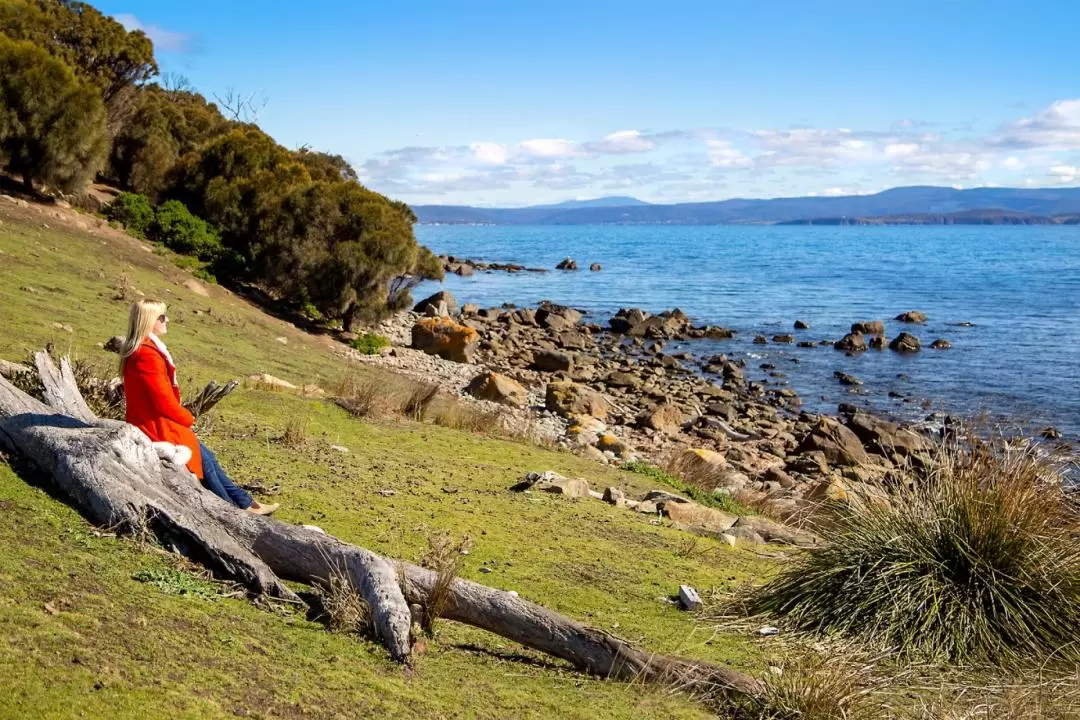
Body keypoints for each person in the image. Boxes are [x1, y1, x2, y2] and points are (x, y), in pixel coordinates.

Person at [119, 299, 279, 515]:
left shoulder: (144, 350)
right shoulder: (146, 354)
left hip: (156, 421)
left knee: (207, 457)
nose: (168, 320)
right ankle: (233, 511)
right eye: (162, 317)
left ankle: (246, 504)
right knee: (205, 461)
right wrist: (187, 418)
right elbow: (162, 400)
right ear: (149, 321)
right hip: (155, 426)